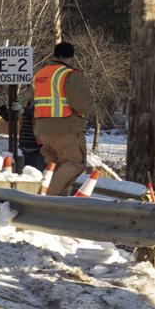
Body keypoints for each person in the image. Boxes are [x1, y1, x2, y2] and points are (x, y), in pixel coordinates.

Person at [31, 42, 93, 196]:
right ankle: (48, 201)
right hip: (66, 128)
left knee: (58, 167)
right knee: (74, 164)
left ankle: (57, 203)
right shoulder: (68, 74)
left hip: (43, 130)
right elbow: (81, 104)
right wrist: (92, 108)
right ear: (71, 57)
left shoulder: (40, 75)